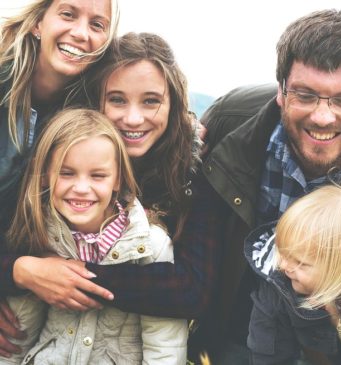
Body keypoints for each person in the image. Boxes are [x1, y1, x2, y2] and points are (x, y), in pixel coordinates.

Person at [0, 32, 223, 361]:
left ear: (173, 102)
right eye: (117, 99)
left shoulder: (192, 173)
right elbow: (18, 237)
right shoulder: (56, 166)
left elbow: (190, 289)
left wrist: (62, 276)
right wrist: (21, 273)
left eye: (150, 101)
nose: (133, 118)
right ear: (96, 100)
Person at [191, 8, 341, 364]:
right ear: (281, 93)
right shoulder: (232, 119)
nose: (322, 116)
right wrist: (177, 132)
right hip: (240, 331)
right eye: (305, 94)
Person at [6, 108, 188, 364]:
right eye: (66, 173)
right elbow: (19, 336)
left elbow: (165, 348)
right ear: (45, 175)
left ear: (118, 180)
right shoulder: (40, 234)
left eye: (98, 176)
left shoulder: (151, 245)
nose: (81, 188)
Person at [0, 0, 121, 357]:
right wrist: (20, 272)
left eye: (97, 24)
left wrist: (186, 132)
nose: (81, 33)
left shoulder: (87, 112)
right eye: (68, 14)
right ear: (38, 22)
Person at [244, 182, 341, 364]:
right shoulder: (276, 292)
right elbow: (267, 354)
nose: (284, 266)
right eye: (282, 252)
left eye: (300, 263)